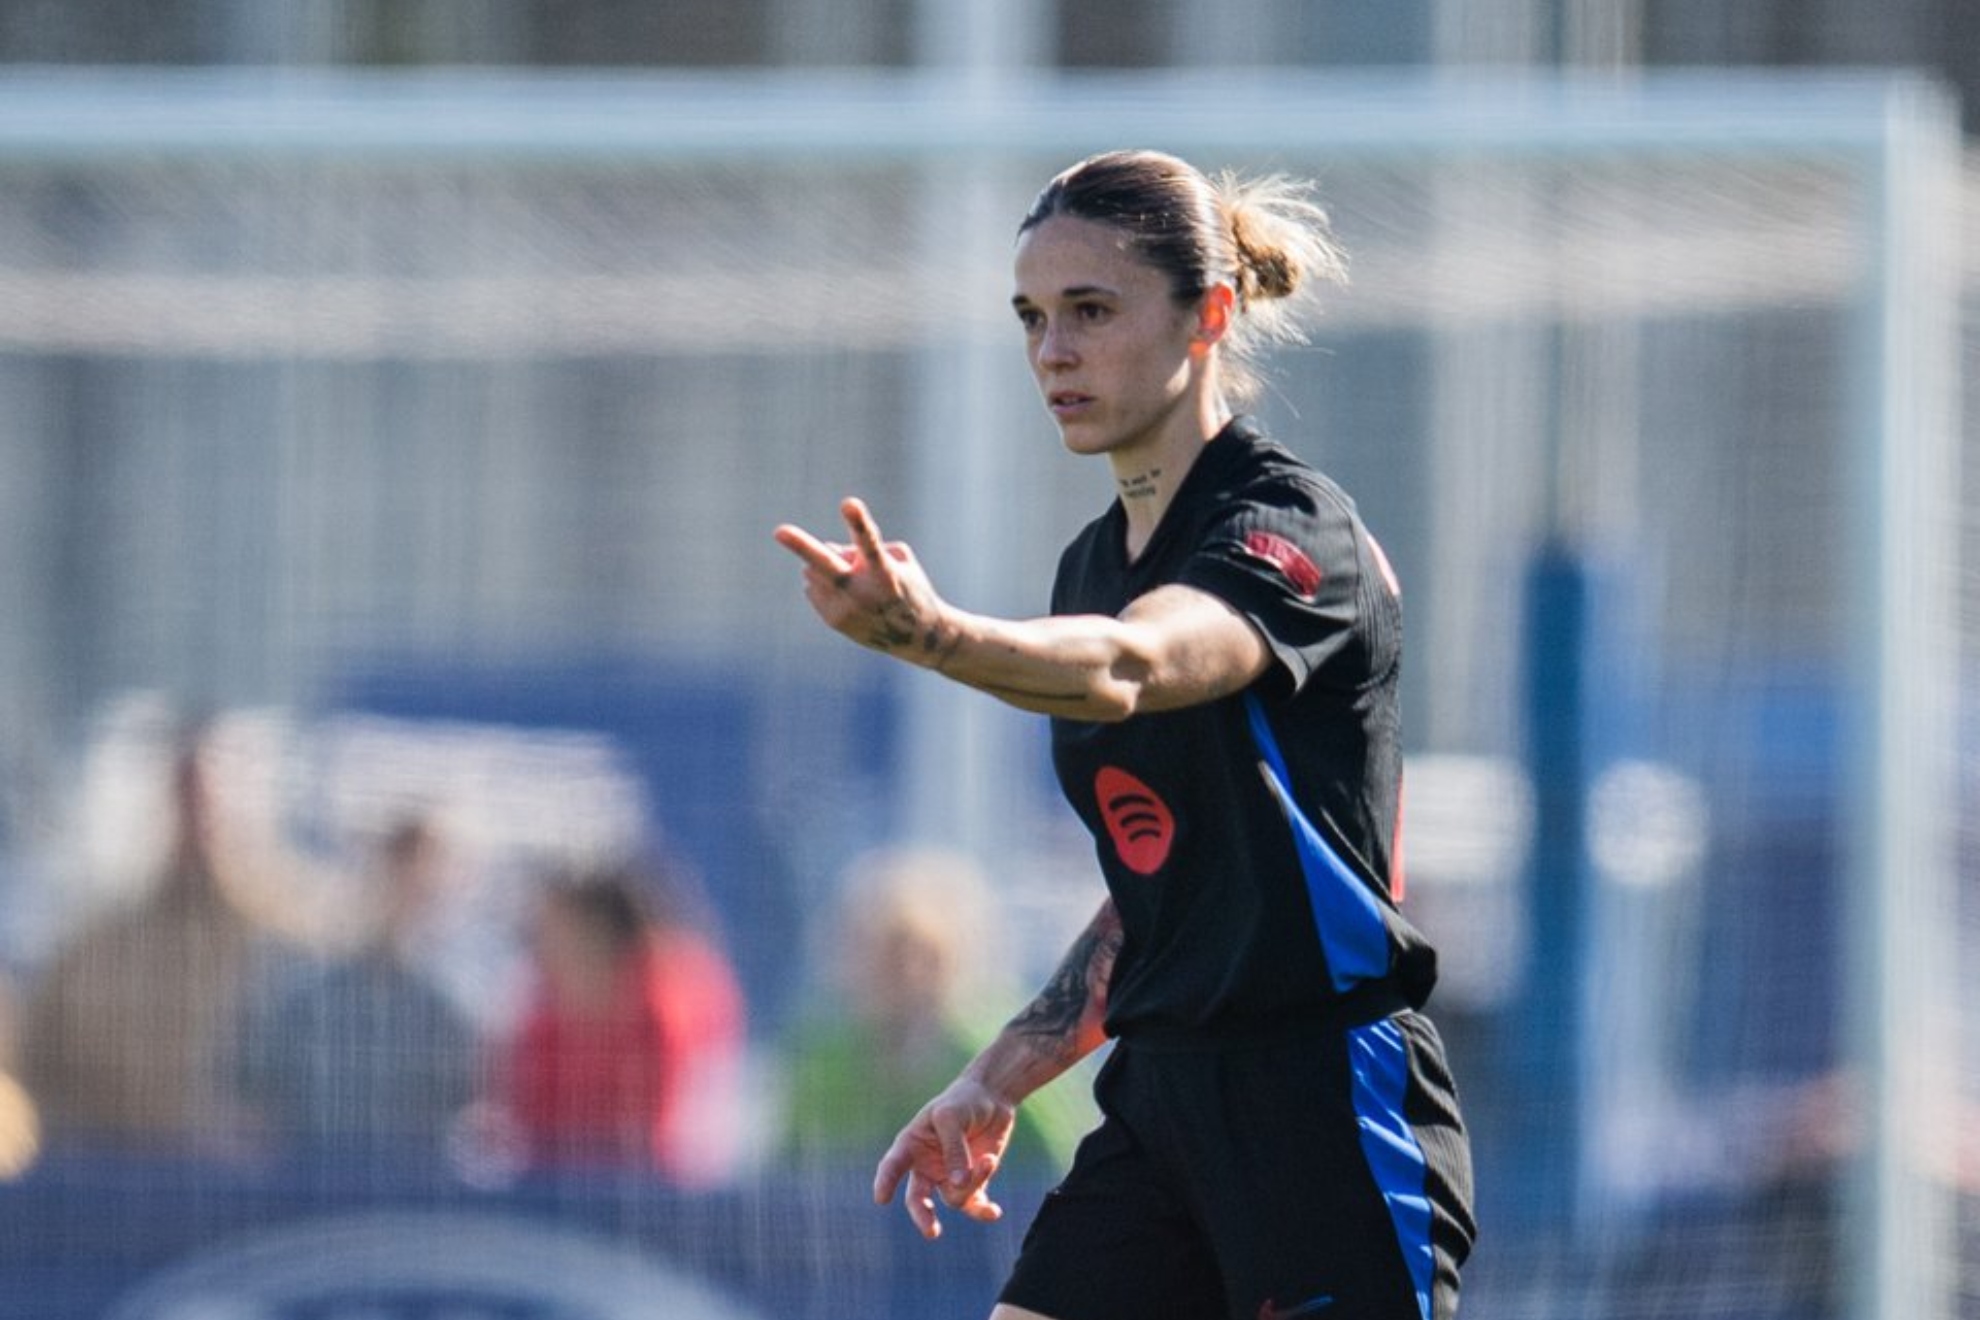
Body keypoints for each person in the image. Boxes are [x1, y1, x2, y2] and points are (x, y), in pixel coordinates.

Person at [775, 149, 1475, 1320]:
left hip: (1320, 1102)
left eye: (1091, 312)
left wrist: (932, 636)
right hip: (1161, 1105)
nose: (1053, 351)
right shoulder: (1091, 564)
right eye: (1033, 318)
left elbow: (1130, 666)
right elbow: (1166, 897)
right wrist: (995, 1077)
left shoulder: (1292, 526)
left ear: (1208, 316)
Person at [779, 845, 1090, 1176]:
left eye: (906, 951)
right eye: (865, 949)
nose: (888, 970)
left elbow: (1071, 1167)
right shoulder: (823, 1059)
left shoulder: (1007, 1050)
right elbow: (785, 1182)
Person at [235, 812, 480, 1168]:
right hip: (306, 1197)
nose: (399, 895)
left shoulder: (450, 1012)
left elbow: (459, 1124)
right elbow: (252, 1108)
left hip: (407, 1203)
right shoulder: (299, 998)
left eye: (415, 882)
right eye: (389, 874)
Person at [493, 857, 746, 1183]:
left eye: (559, 933)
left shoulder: (664, 1016)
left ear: (598, 935)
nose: (540, 946)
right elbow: (530, 1134)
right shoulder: (541, 1025)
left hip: (655, 1202)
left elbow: (663, 1145)